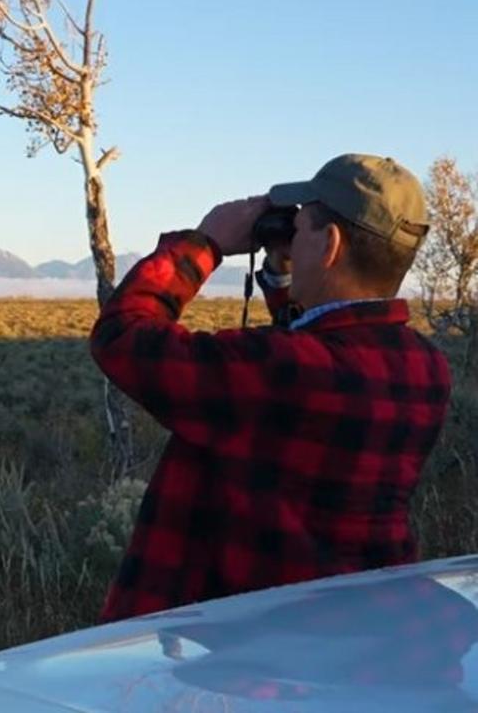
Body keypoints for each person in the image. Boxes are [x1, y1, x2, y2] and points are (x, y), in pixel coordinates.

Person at [89, 153, 452, 622]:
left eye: (300, 229)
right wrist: (284, 276)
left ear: (330, 245)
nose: (290, 236)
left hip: (234, 651)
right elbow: (324, 347)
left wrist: (204, 245)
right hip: (354, 628)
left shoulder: (279, 370)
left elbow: (122, 337)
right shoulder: (425, 367)